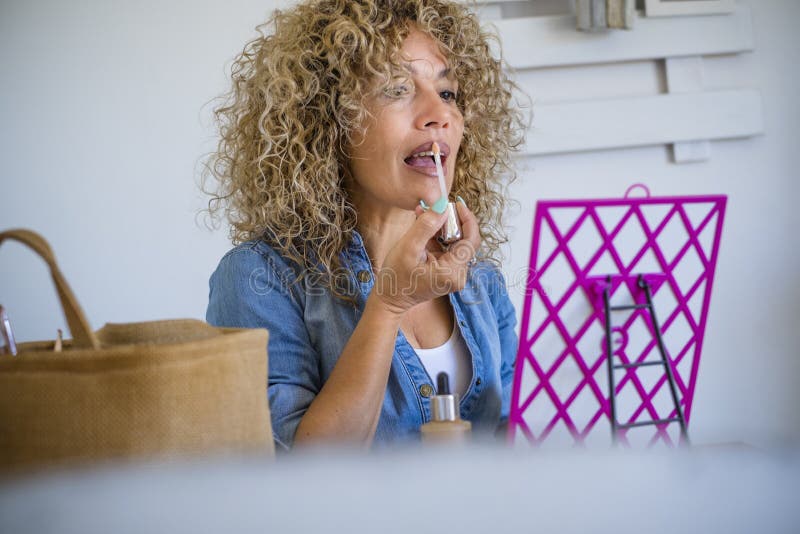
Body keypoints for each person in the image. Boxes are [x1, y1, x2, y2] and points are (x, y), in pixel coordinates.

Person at [204, 0, 525, 451]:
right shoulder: (260, 280)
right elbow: (302, 478)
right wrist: (389, 304)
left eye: (448, 92)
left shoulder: (483, 280)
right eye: (398, 88)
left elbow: (514, 451)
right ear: (330, 120)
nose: (440, 113)